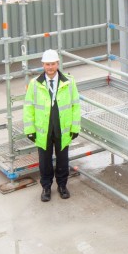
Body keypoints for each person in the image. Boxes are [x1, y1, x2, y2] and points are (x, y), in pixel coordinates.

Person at [23, 49, 81, 202]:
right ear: (43, 65)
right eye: (47, 64)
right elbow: (28, 107)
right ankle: (46, 187)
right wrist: (30, 130)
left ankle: (62, 186)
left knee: (63, 160)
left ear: (58, 64)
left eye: (53, 64)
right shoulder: (34, 84)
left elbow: (76, 105)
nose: (50, 67)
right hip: (43, 131)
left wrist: (75, 127)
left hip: (63, 129)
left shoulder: (69, 82)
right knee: (45, 161)